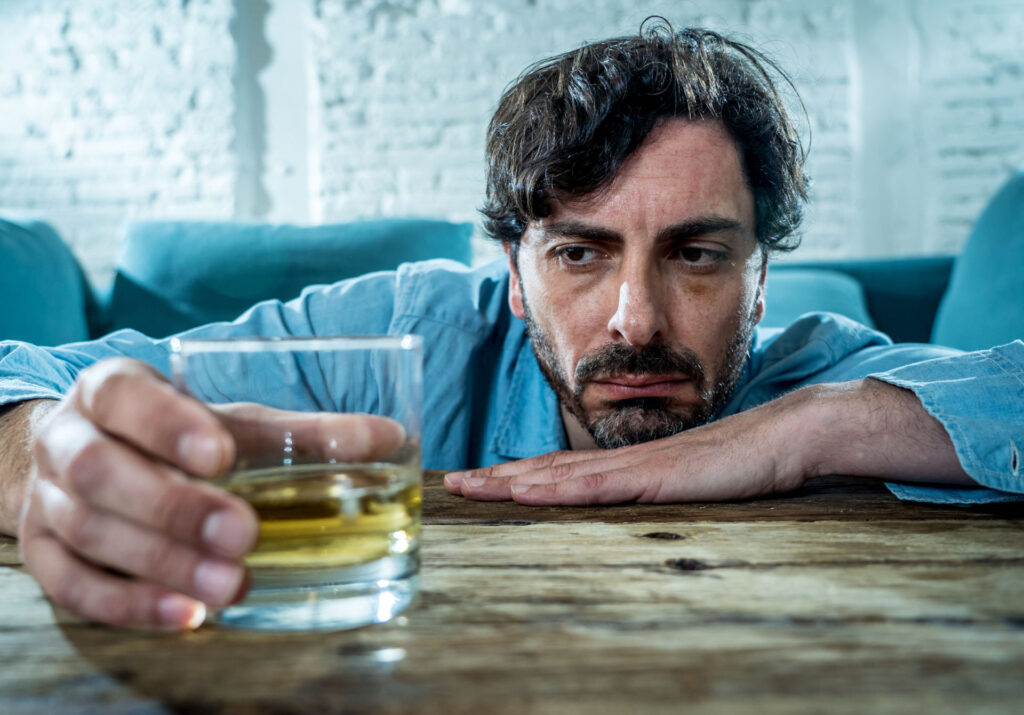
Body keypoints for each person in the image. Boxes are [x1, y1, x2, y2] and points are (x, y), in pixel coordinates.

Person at [0, 23, 1021, 630]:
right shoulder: (404, 336)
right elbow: (35, 375)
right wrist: (49, 450)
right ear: (515, 278)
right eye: (579, 252)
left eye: (697, 254)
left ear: (759, 281)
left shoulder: (819, 376)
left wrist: (804, 432)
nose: (635, 317)